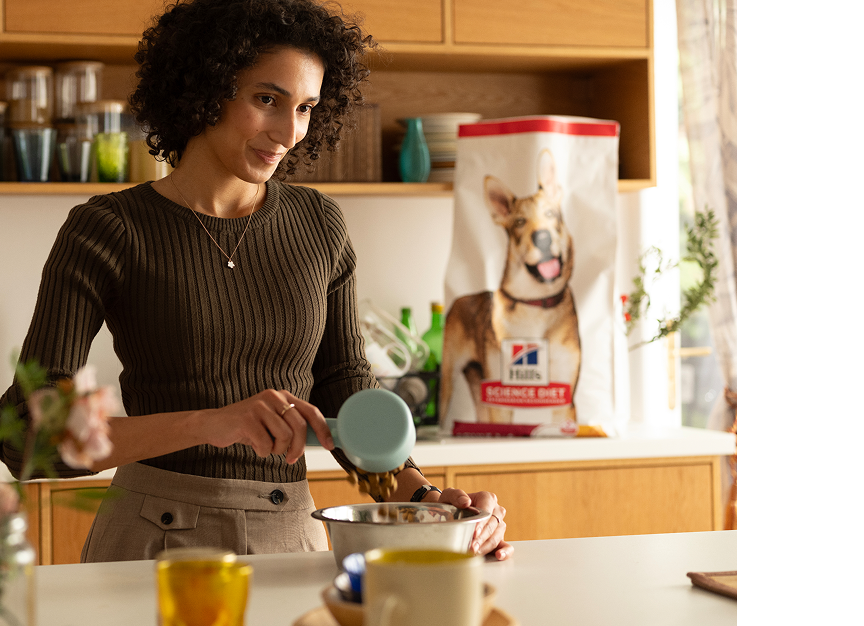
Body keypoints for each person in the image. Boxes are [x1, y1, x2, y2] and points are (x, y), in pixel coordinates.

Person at [0, 0, 512, 563]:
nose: (289, 132)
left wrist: (434, 504)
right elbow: (28, 434)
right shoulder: (109, 228)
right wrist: (212, 423)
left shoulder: (320, 223)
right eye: (267, 99)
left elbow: (343, 391)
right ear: (204, 87)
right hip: (153, 541)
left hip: (291, 536)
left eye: (306, 108)